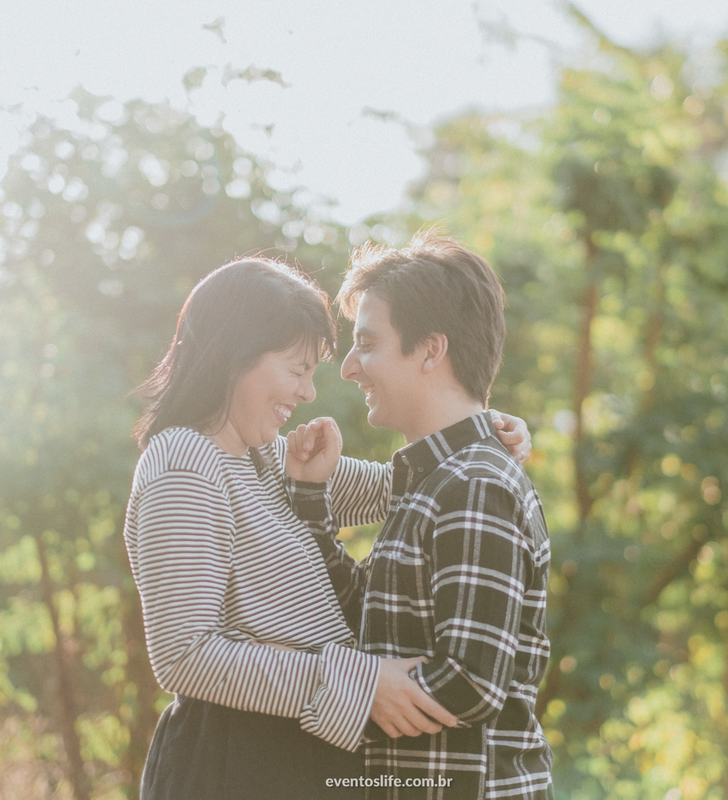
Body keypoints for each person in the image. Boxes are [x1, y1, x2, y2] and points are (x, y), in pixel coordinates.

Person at [124, 257, 531, 800]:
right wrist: (360, 684)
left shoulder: (269, 458)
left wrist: (486, 433)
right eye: (297, 369)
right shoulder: (185, 463)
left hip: (301, 754)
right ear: (230, 356)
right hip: (229, 760)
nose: (308, 392)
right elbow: (183, 654)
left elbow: (415, 489)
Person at [284, 233, 553, 799]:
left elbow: (471, 682)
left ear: (431, 350)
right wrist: (309, 498)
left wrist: (326, 701)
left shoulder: (473, 485)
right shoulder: (435, 483)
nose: (349, 368)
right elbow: (365, 621)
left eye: (367, 343)